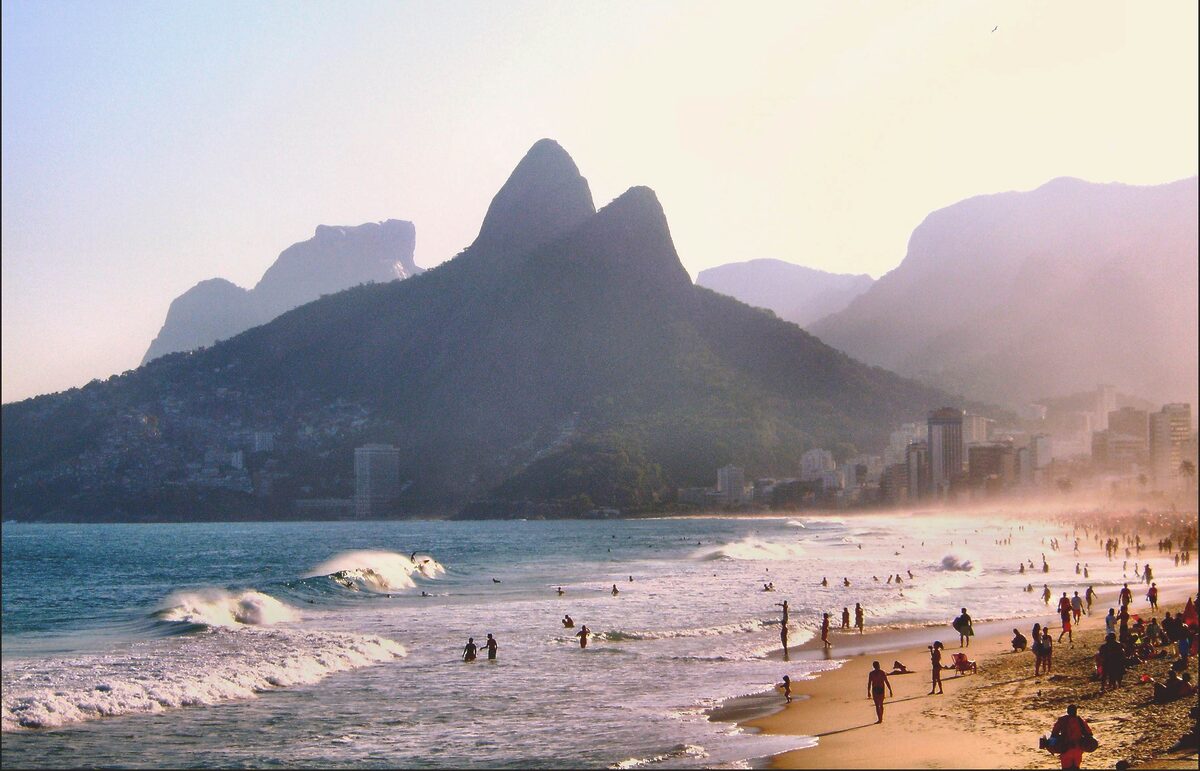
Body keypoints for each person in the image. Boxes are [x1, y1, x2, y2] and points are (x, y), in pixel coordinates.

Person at [1049, 704, 1094, 770]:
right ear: (1076, 711)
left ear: (1067, 712)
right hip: (1078, 750)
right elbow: (1089, 734)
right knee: (1076, 768)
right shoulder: (1080, 721)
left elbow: (1054, 734)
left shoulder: (1062, 720)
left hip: (1065, 749)